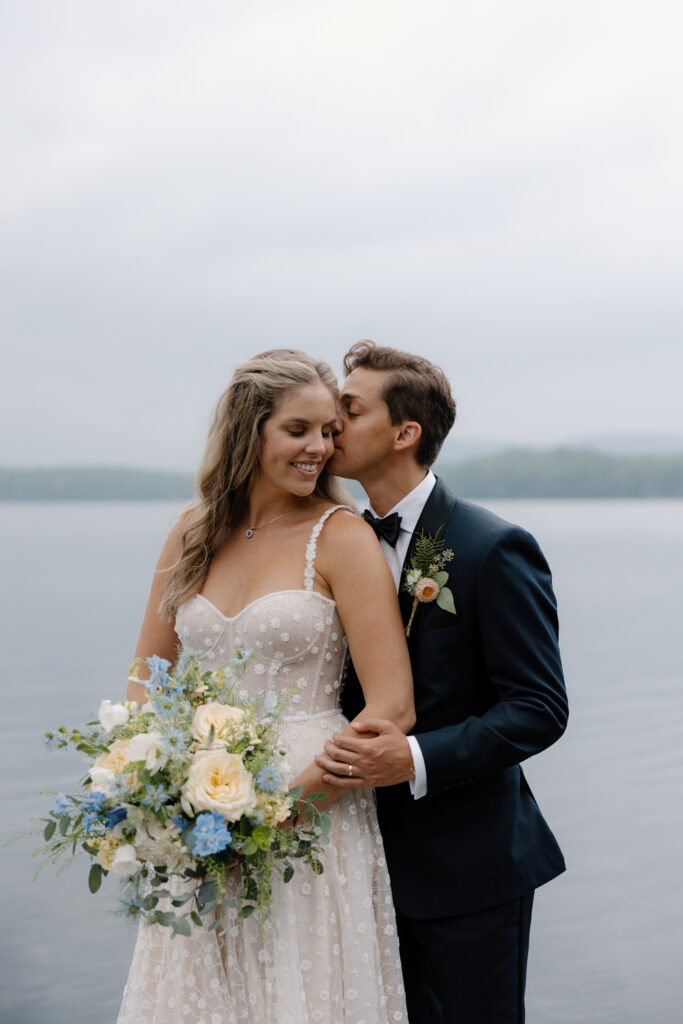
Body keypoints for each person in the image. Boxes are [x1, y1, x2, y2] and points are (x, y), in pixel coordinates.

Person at [117, 350, 414, 1024]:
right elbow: (144, 679)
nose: (319, 449)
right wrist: (161, 786)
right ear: (249, 431)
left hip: (314, 817)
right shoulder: (191, 533)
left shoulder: (340, 538)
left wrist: (277, 812)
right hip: (198, 822)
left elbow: (392, 706)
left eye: (328, 433)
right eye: (298, 430)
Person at [316, 340, 568, 1024]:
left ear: (405, 433)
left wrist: (415, 756)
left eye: (349, 408)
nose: (330, 423)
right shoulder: (333, 544)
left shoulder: (491, 548)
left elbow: (538, 707)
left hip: (471, 872)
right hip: (357, 864)